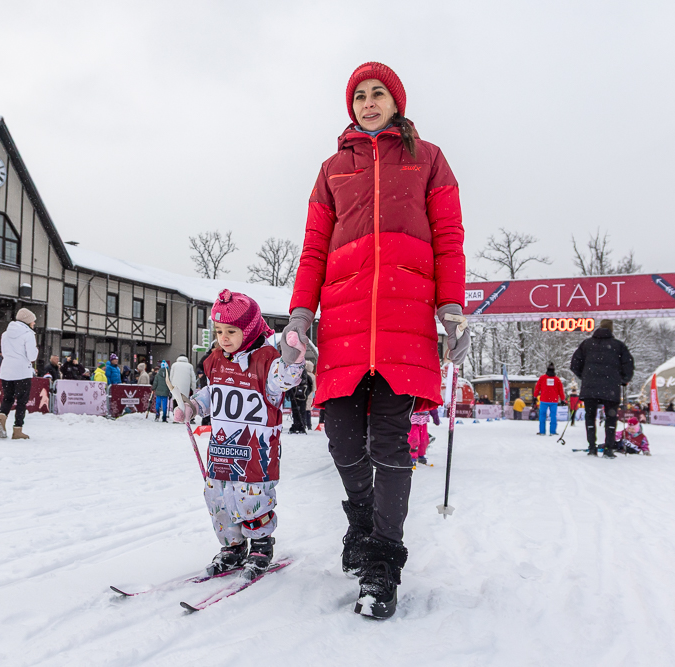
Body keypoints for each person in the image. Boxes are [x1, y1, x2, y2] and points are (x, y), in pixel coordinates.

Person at [285, 62, 468, 619]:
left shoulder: (428, 159)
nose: (368, 102)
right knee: (341, 440)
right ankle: (362, 525)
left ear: (397, 101)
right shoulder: (332, 169)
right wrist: (299, 314)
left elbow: (448, 238)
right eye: (359, 95)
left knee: (389, 443)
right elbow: (315, 245)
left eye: (378, 93)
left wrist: (452, 308)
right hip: (343, 324)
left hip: (405, 322)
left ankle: (384, 560)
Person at [173, 290, 306, 582]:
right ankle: (232, 547)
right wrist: (193, 406)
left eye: (231, 331)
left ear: (248, 330)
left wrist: (294, 358)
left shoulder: (267, 360)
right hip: (222, 446)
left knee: (250, 498)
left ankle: (260, 546)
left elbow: (284, 379)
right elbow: (212, 392)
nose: (223, 338)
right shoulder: (216, 360)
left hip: (256, 449)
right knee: (217, 497)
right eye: (219, 331)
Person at [570, 319, 634, 459]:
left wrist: (585, 376)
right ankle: (608, 449)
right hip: (611, 388)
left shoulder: (586, 344)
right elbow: (628, 365)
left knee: (590, 417)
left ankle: (592, 448)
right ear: (611, 330)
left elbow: (574, 364)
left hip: (590, 388)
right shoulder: (618, 346)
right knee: (611, 417)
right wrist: (623, 380)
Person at [0, 308, 38, 440]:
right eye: (33, 320)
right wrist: (36, 350)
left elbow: (5, 352)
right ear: (27, 321)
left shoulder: (5, 334)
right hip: (22, 371)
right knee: (21, 401)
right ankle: (17, 430)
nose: (34, 323)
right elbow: (31, 356)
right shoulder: (28, 334)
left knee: (8, 397)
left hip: (7, 370)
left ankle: (1, 419)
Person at [535, 363, 566, 436]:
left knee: (542, 415)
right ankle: (553, 431)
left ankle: (542, 431)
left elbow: (537, 387)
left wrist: (535, 396)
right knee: (553, 416)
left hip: (544, 399)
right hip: (554, 400)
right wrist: (562, 399)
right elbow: (561, 390)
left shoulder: (542, 378)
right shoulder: (557, 379)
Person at [287, 366, 314, 433]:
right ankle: (303, 424)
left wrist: (289, 394)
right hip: (303, 396)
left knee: (295, 410)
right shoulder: (307, 375)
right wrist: (307, 394)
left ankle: (297, 424)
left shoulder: (293, 372)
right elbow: (311, 386)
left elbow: (289, 383)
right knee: (303, 410)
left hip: (294, 395)